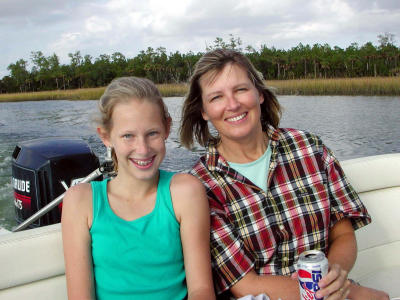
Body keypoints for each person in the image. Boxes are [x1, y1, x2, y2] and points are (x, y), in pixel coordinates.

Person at [179, 49, 389, 300]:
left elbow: (343, 233)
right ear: (203, 111)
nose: (233, 104)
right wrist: (351, 294)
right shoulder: (201, 185)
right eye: (216, 97)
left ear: (260, 94)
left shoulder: (309, 148)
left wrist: (336, 275)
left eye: (241, 90)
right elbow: (244, 284)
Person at [62, 77, 216, 300]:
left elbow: (201, 290)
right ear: (106, 137)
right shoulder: (80, 201)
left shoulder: (185, 192)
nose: (142, 149)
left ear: (166, 128)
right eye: (128, 136)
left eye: (152, 133)